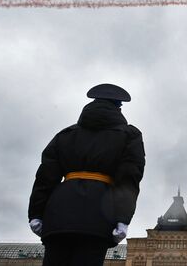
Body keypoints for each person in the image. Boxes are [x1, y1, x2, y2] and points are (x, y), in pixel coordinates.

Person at [28, 83, 146, 266]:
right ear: (118, 108)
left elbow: (45, 177)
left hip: (58, 213)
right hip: (97, 215)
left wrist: (36, 213)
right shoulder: (129, 135)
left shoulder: (66, 134)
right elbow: (129, 178)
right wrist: (122, 218)